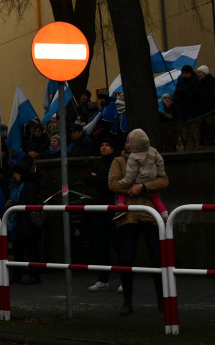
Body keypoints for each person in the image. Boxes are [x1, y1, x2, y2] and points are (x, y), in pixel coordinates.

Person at [108, 133, 169, 315]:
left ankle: (162, 298)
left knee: (158, 259)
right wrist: (140, 186)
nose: (129, 145)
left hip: (151, 217)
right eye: (127, 141)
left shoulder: (153, 156)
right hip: (128, 218)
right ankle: (127, 300)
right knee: (126, 259)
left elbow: (163, 180)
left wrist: (141, 187)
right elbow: (112, 183)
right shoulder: (118, 161)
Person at [85, 135, 122, 292]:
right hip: (99, 208)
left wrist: (98, 179)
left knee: (119, 244)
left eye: (107, 144)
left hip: (114, 208)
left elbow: (113, 183)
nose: (104, 147)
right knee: (101, 244)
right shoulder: (98, 162)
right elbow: (87, 179)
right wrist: (103, 180)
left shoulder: (118, 162)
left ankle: (124, 279)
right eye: (102, 144)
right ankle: (102, 279)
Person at [114, 129, 169, 221]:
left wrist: (125, 182)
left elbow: (131, 173)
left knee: (122, 192)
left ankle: (120, 209)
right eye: (127, 142)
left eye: (130, 142)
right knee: (155, 197)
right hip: (152, 177)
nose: (128, 145)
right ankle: (165, 214)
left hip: (138, 180)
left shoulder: (133, 156)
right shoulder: (153, 151)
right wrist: (159, 170)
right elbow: (160, 161)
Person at [6, 156, 43, 285]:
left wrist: (15, 204)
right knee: (18, 250)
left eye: (16, 173)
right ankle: (17, 275)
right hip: (18, 221)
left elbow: (30, 201)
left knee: (31, 249)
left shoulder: (31, 184)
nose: (15, 176)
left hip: (27, 221)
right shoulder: (17, 185)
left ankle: (34, 275)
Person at [172, 65, 200, 149]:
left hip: (193, 112)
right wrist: (177, 99)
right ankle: (188, 149)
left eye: (186, 73)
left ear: (190, 73)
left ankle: (196, 149)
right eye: (183, 73)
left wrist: (184, 92)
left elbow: (195, 95)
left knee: (194, 134)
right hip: (183, 112)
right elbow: (175, 96)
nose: (184, 75)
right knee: (185, 135)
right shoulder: (180, 82)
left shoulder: (195, 81)